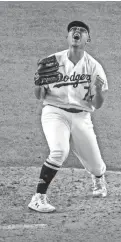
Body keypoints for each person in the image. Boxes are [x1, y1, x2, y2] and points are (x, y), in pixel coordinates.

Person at [28, 21, 108, 213]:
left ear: (88, 39)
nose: (77, 32)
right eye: (73, 30)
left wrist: (97, 90)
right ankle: (38, 197)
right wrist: (39, 82)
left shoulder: (94, 67)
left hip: (82, 117)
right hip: (55, 113)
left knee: (97, 166)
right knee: (59, 151)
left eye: (82, 31)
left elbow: (97, 104)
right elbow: (40, 96)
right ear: (68, 37)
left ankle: (98, 179)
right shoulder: (51, 62)